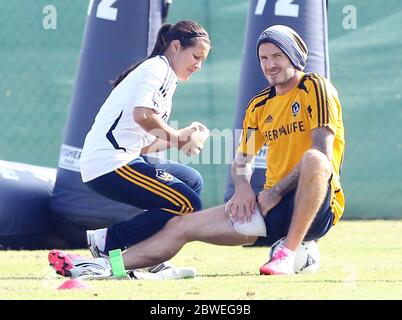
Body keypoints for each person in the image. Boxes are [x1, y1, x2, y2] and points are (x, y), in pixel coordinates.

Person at [49, 25, 345, 278]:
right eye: (264, 58)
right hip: (271, 210)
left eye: (277, 56)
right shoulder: (259, 105)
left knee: (314, 159)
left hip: (316, 207)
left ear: (294, 55)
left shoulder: (314, 87)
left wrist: (274, 192)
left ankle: (287, 252)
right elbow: (243, 160)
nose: (269, 65)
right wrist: (242, 186)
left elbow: (322, 153)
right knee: (181, 222)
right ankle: (105, 264)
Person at [77, 21, 211, 261]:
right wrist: (179, 139)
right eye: (196, 57)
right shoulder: (157, 69)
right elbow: (143, 115)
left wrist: (182, 138)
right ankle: (108, 241)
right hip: (109, 163)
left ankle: (150, 259)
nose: (199, 65)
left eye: (203, 60)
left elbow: (144, 143)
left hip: (124, 156)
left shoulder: (165, 73)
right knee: (188, 204)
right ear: (176, 46)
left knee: (192, 182)